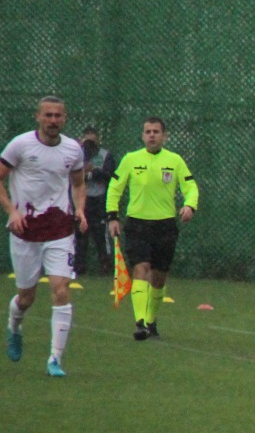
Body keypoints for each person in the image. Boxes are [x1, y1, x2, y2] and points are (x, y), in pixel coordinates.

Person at [1, 96, 87, 377]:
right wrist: (12, 211)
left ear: (65, 118)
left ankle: (55, 359)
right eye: (48, 115)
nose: (53, 120)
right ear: (38, 117)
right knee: (26, 297)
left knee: (61, 288)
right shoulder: (20, 145)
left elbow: (78, 183)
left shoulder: (73, 149)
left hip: (60, 230)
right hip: (26, 231)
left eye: (58, 116)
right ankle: (14, 326)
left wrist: (81, 209)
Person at [106, 117, 199, 341]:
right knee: (141, 268)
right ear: (142, 135)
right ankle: (140, 323)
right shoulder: (131, 159)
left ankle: (151, 320)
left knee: (159, 278)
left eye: (156, 131)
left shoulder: (174, 161)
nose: (151, 135)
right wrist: (113, 216)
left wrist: (189, 205)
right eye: (147, 131)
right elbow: (115, 187)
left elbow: (191, 186)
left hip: (165, 225)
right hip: (138, 223)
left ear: (164, 136)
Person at [80, 126, 118, 275]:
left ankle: (105, 265)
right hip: (82, 199)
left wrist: (92, 173)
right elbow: (71, 175)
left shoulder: (104, 155)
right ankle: (79, 266)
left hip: (99, 199)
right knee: (80, 233)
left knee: (101, 233)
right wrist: (85, 174)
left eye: (93, 138)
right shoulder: (77, 154)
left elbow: (109, 174)